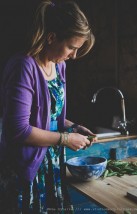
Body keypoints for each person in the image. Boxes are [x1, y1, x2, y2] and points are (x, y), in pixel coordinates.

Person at [0, 0, 95, 213]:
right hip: (25, 167)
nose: (74, 55)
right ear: (51, 38)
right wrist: (65, 139)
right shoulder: (23, 67)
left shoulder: (58, 65)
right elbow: (17, 130)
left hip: (50, 163)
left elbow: (49, 116)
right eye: (71, 47)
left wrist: (73, 127)